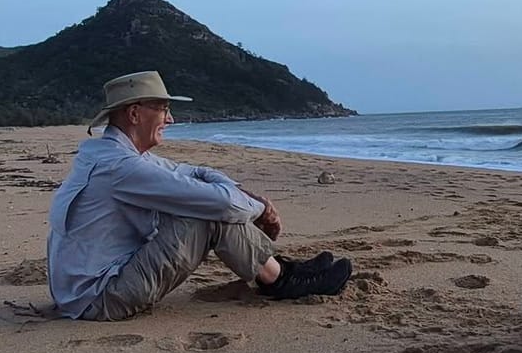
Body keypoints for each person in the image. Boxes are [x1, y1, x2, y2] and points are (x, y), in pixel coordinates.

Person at [47, 71, 352, 320]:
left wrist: (246, 196)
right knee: (207, 213)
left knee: (207, 200)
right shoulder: (121, 167)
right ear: (135, 114)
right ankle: (281, 280)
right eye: (163, 109)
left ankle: (280, 269)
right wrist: (261, 210)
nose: (170, 119)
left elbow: (195, 172)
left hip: (81, 292)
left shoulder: (112, 154)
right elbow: (221, 203)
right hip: (100, 298)